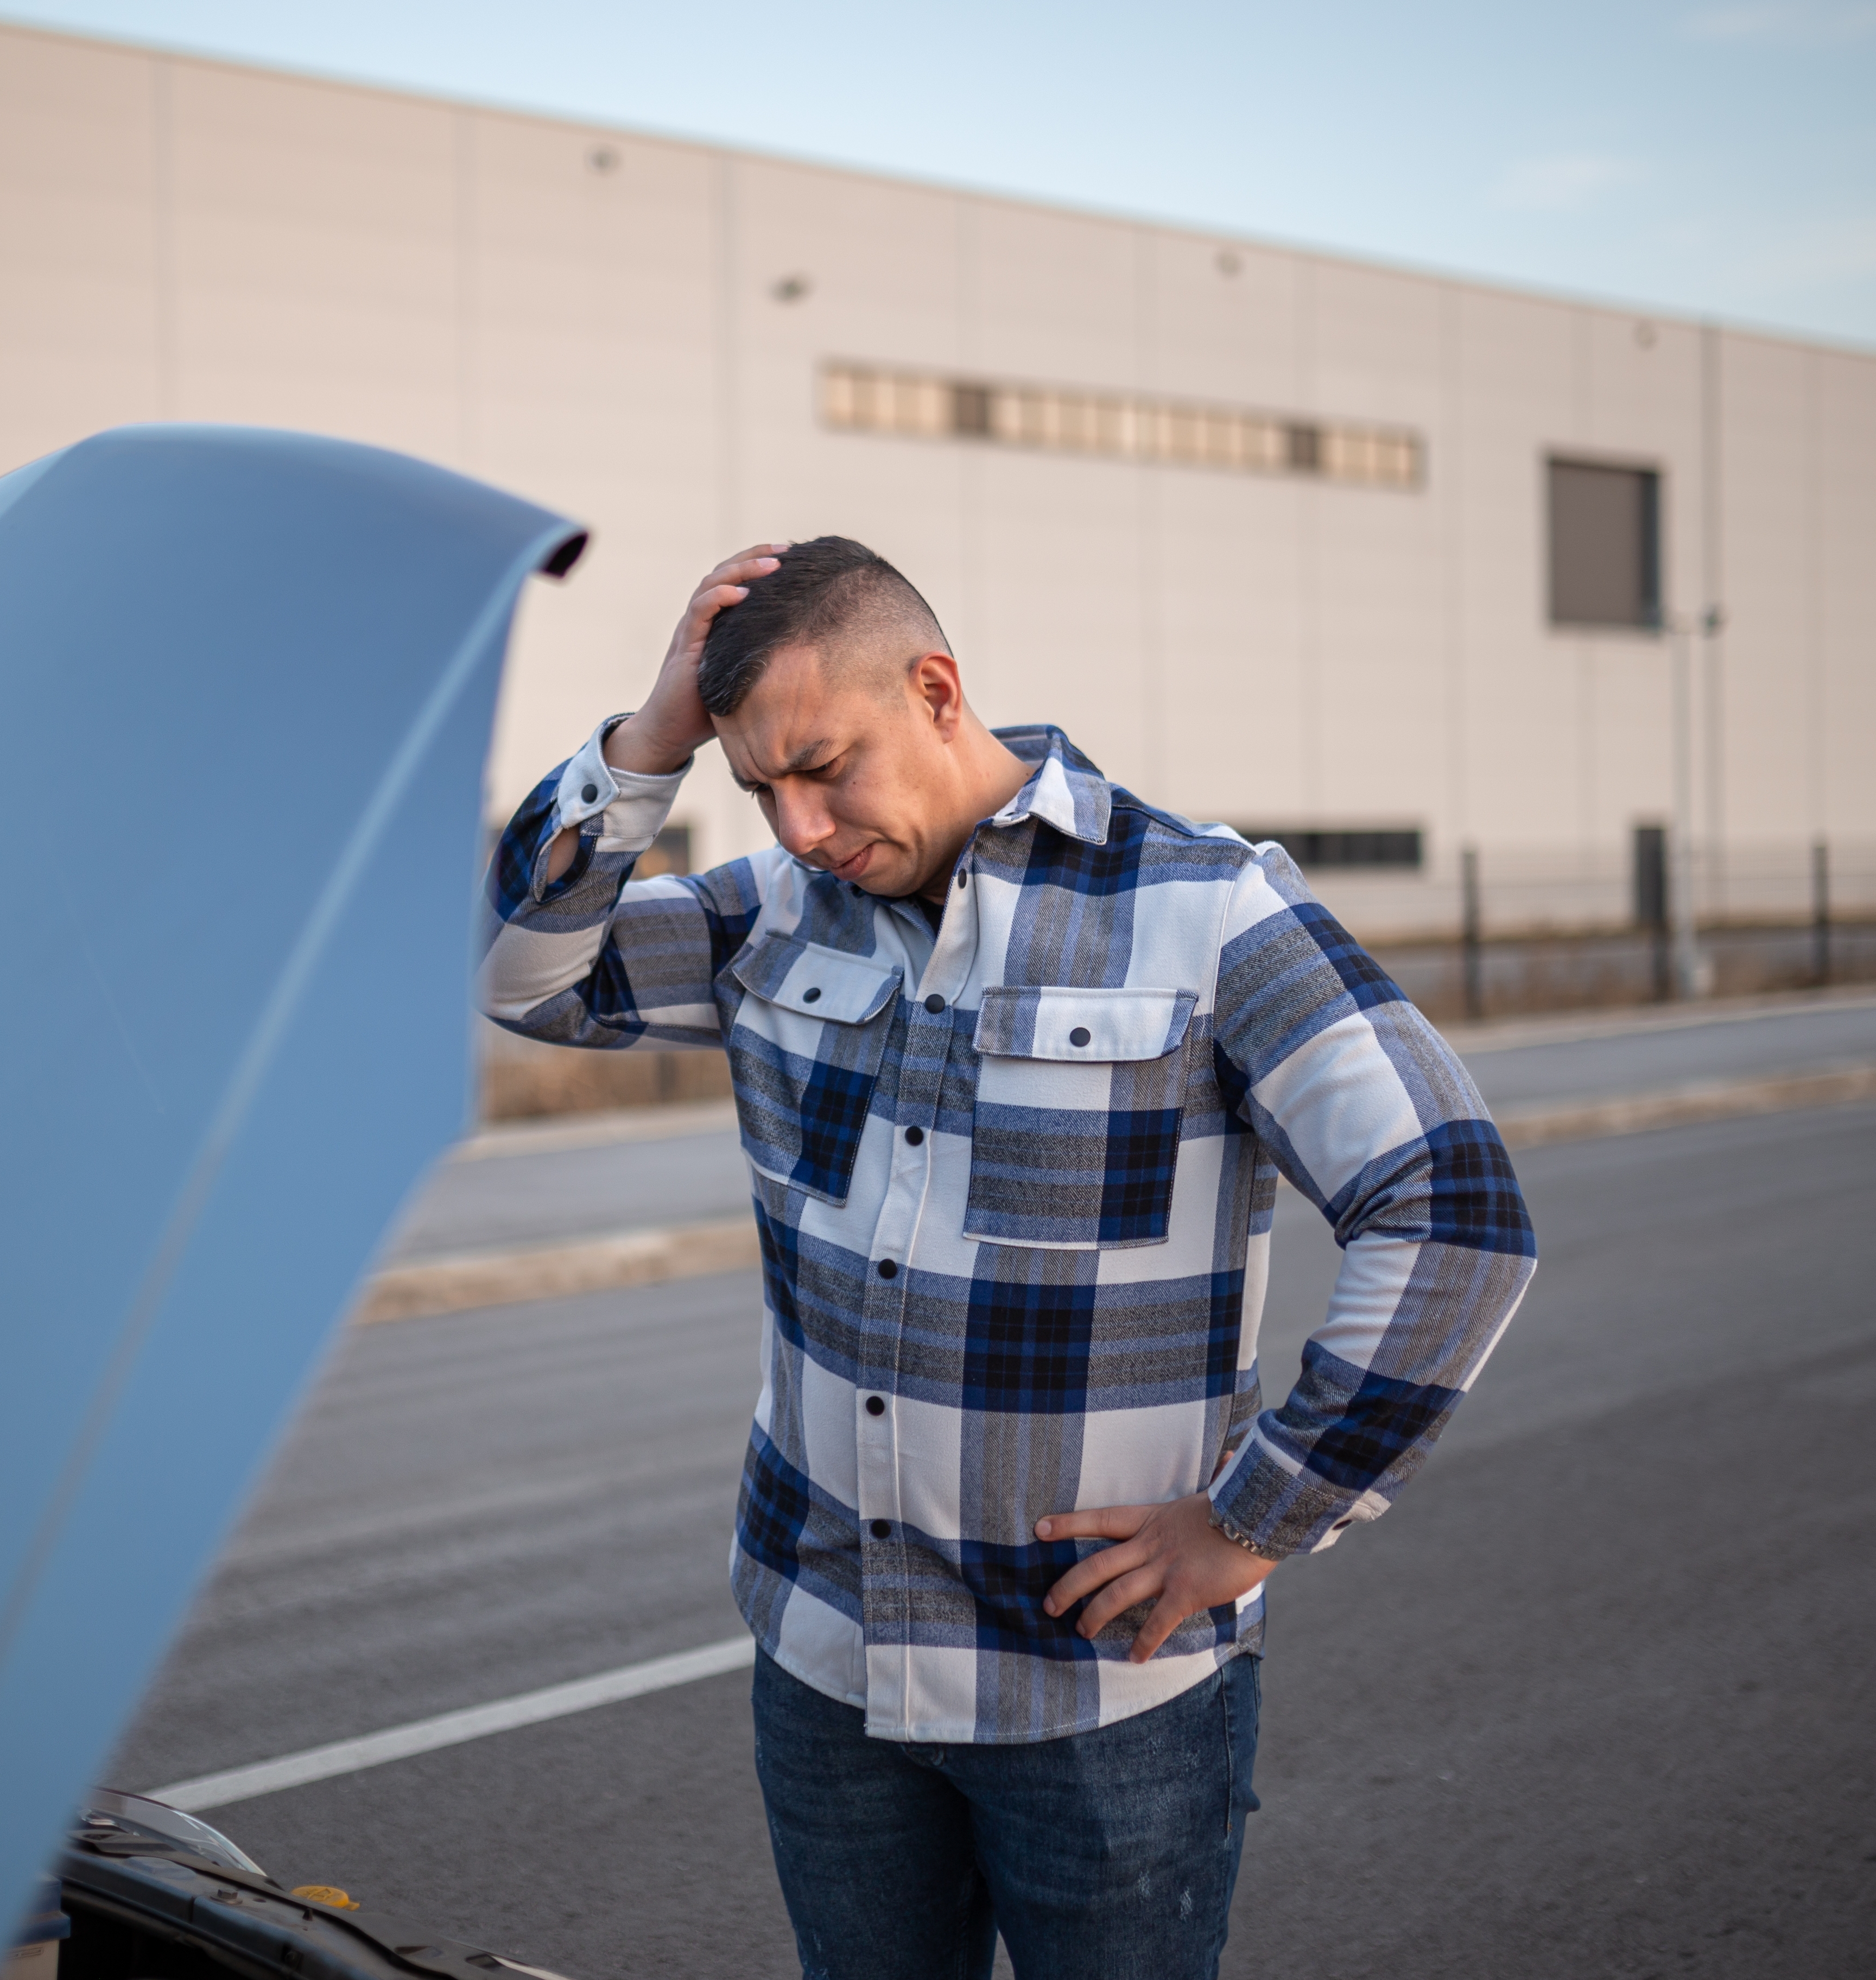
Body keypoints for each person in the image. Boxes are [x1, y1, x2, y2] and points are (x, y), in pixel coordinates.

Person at [475, 537, 1537, 1979]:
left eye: (826, 766)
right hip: (825, 1663)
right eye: (760, 787)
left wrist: (1251, 1524)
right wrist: (645, 744)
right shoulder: (770, 917)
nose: (796, 827)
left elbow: (1456, 1214)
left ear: (936, 689)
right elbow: (525, 979)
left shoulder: (1206, 910)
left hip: (1098, 1700)